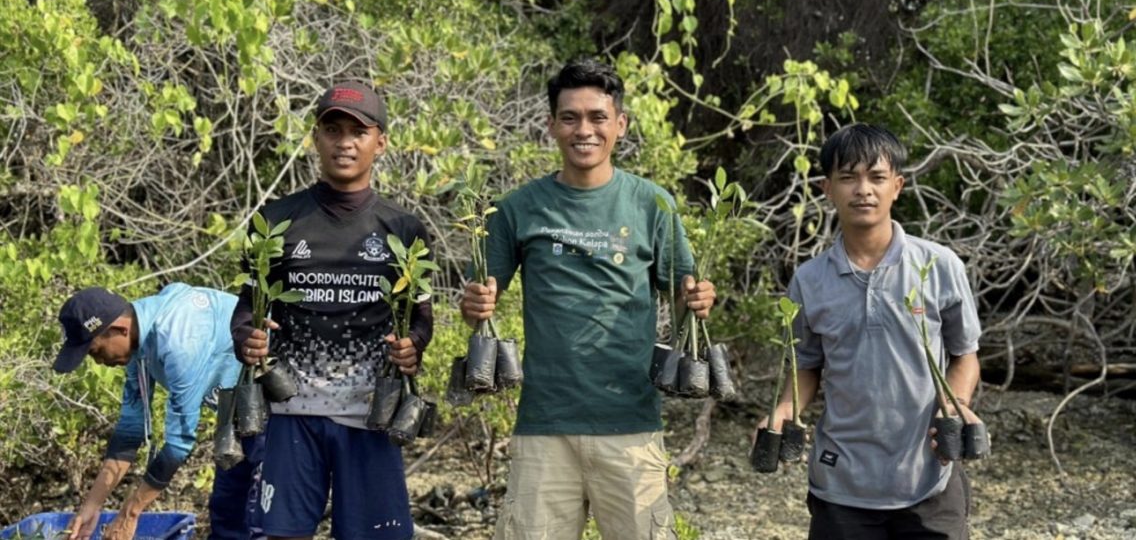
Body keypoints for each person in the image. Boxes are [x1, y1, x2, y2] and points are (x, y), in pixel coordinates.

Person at [460, 59, 716, 540]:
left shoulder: (652, 204)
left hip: (631, 424)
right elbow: (478, 304)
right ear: (552, 125)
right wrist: (473, 307)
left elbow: (686, 305)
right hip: (544, 425)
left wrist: (698, 299)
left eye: (598, 117)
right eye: (570, 117)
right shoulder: (517, 208)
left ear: (619, 124)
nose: (584, 130)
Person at [760, 123, 983, 539]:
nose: (864, 189)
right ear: (827, 188)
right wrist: (783, 411)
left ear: (896, 186)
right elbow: (805, 366)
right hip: (842, 483)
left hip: (929, 477)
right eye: (848, 178)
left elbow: (964, 353)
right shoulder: (809, 282)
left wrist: (958, 404)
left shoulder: (939, 266)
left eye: (877, 177)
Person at [232, 80, 432, 540]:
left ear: (379, 142)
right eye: (333, 129)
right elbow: (247, 307)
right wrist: (248, 338)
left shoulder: (402, 227)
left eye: (358, 132)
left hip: (370, 416)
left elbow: (420, 316)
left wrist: (413, 346)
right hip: (289, 414)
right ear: (316, 138)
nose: (345, 142)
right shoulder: (276, 220)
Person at [53, 283, 262, 540]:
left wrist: (131, 512)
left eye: (95, 351)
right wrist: (91, 507)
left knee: (262, 519)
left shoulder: (179, 338)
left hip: (276, 407)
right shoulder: (137, 342)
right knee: (227, 518)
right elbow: (130, 431)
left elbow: (178, 443)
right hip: (237, 417)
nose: (99, 362)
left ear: (119, 328)